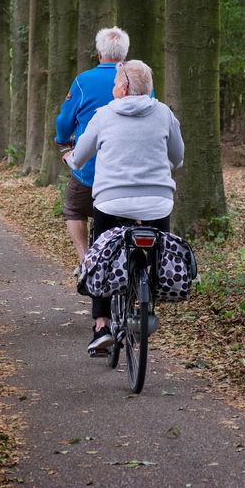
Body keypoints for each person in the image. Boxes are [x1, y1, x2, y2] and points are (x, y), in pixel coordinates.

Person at [63, 60, 184, 356]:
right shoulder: (164, 113)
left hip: (111, 200)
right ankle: (147, 298)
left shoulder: (103, 115)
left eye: (116, 82)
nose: (113, 87)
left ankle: (102, 325)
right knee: (157, 249)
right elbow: (178, 157)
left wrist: (69, 157)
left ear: (125, 87)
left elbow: (80, 157)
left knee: (101, 257)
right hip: (157, 202)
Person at [54, 27, 130, 263]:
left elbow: (64, 121)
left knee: (74, 209)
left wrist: (63, 141)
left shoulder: (83, 81)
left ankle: (85, 260)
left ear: (99, 53)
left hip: (91, 171)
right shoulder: (138, 80)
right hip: (131, 169)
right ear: (125, 54)